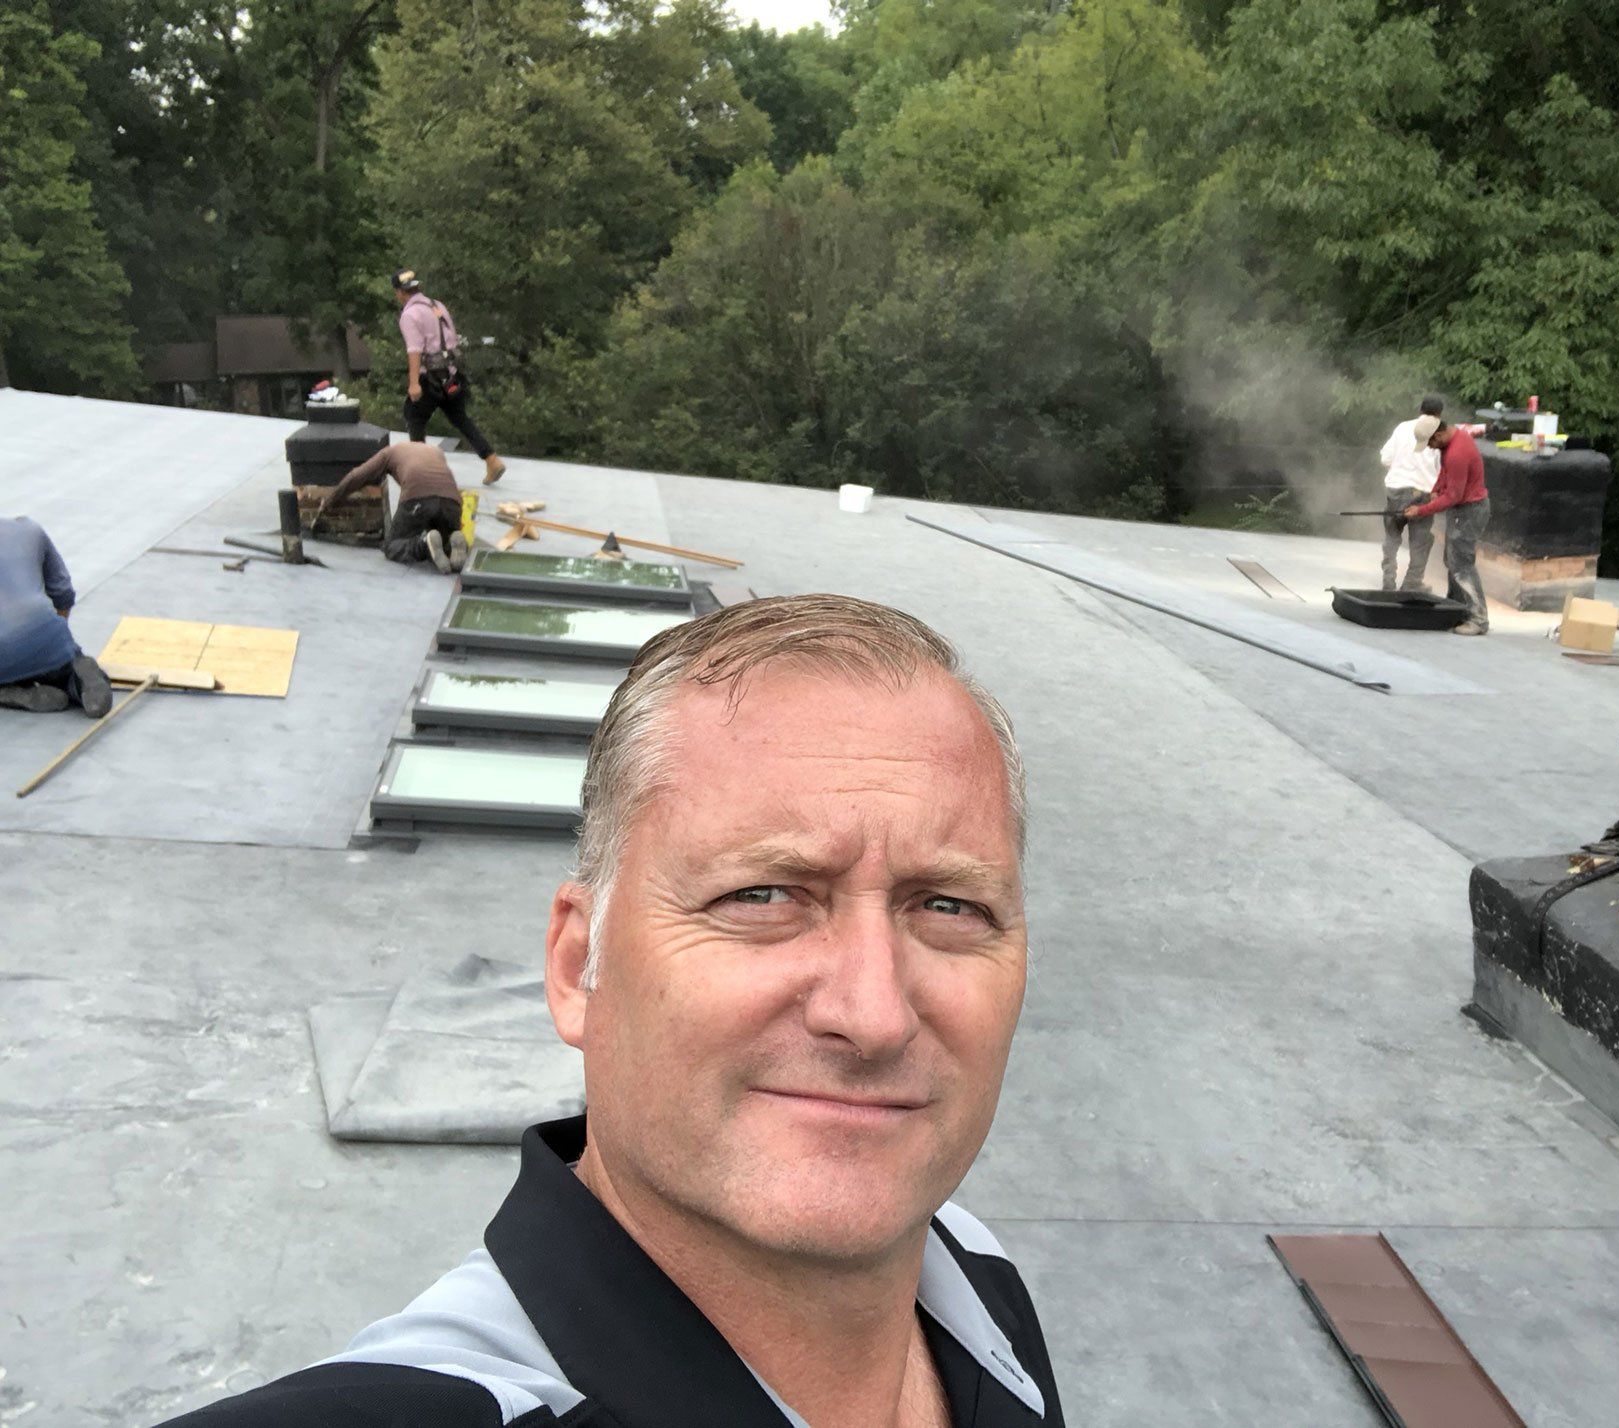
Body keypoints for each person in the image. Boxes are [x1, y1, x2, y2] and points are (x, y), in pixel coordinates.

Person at [158, 594, 1065, 1428]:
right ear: (575, 964)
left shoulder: (970, 1276)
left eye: (950, 906)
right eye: (761, 896)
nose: (873, 1014)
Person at [393, 269, 506, 486]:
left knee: (414, 417)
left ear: (399, 292)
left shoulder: (409, 315)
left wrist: (414, 383)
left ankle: (421, 473)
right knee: (460, 418)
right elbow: (451, 340)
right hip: (451, 374)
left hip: (430, 379)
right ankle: (491, 460)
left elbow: (415, 350)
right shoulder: (437, 306)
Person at [0, 516, 112, 716]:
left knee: (8, 663)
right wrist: (57, 643)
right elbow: (63, 593)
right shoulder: (30, 529)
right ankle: (76, 680)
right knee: (60, 665)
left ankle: (10, 691)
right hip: (45, 628)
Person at [317, 441, 469, 574]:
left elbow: (357, 476)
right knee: (442, 533)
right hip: (452, 501)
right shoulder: (435, 451)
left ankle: (423, 545)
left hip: (418, 498)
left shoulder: (389, 452)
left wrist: (330, 500)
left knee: (392, 545)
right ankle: (452, 539)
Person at [1405, 421, 1491, 635]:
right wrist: (1436, 489)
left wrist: (1422, 510)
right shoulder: (1453, 442)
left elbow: (1454, 496)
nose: (1431, 447)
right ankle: (1455, 608)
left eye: (1431, 442)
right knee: (1452, 559)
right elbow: (1446, 472)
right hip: (1463, 510)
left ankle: (1478, 619)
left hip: (1469, 511)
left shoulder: (1457, 453)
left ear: (1440, 434)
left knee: (1462, 564)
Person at [1376, 398, 1443, 591]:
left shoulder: (1403, 428)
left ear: (1420, 410)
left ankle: (1388, 581)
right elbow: (1441, 470)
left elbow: (1385, 458)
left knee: (1391, 536)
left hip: (1396, 490)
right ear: (1439, 415)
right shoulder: (1438, 435)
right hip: (1422, 494)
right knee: (1420, 541)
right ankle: (1412, 584)